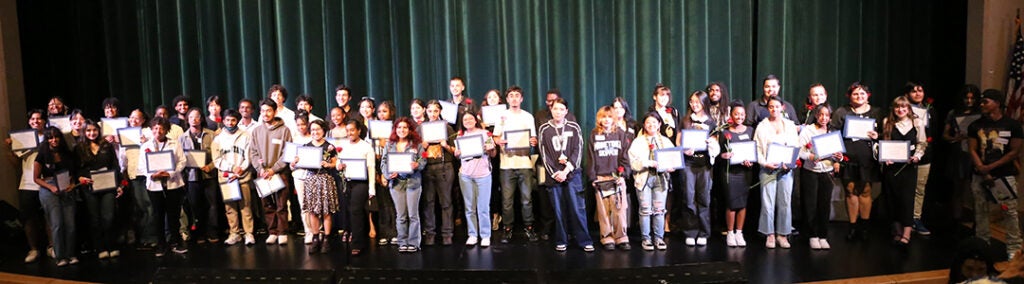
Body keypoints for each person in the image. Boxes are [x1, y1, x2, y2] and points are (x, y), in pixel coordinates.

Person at [968, 89, 1023, 260]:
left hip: (1004, 175)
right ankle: (982, 244)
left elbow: (1014, 151)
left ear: (997, 103)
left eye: (986, 101)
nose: (982, 104)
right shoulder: (975, 125)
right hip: (980, 175)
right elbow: (972, 149)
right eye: (982, 102)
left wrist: (992, 166)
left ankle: (1014, 247)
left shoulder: (1012, 125)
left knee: (1009, 211)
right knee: (981, 210)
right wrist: (981, 167)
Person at [538, 98, 592, 252]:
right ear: (551, 110)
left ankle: (584, 240)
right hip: (554, 176)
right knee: (559, 210)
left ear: (566, 111)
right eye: (555, 109)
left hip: (572, 174)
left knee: (577, 209)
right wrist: (555, 173)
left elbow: (578, 150)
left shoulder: (574, 127)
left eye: (562, 109)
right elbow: (544, 154)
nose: (558, 112)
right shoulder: (544, 129)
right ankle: (561, 239)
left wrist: (567, 169)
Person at [830, 82, 882, 241]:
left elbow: (886, 132)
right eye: (855, 94)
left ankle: (864, 227)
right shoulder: (842, 112)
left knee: (866, 190)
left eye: (862, 94)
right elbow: (833, 133)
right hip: (848, 157)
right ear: (849, 96)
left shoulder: (877, 112)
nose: (859, 97)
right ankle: (852, 227)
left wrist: (877, 135)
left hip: (868, 158)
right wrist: (836, 158)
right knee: (850, 190)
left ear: (868, 96)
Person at [492, 86, 540, 244]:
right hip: (506, 164)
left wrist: (533, 141)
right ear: (507, 99)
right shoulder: (502, 116)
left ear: (521, 99)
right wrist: (499, 141)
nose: (513, 98)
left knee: (527, 199)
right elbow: (495, 137)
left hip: (524, 163)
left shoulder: (528, 116)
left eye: (517, 95)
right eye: (511, 96)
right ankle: (507, 228)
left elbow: (533, 138)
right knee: (507, 200)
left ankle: (529, 227)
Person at [879, 96, 927, 246]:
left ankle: (907, 233)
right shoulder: (887, 122)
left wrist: (917, 156)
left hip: (908, 168)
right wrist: (885, 157)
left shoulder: (917, 123)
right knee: (891, 200)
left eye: (904, 107)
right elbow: (884, 144)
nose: (900, 110)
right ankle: (897, 231)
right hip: (891, 168)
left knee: (907, 200)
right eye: (897, 107)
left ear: (908, 109)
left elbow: (922, 143)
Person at [753, 96, 800, 249]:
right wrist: (765, 163)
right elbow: (757, 149)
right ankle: (770, 234)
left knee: (785, 202)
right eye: (771, 106)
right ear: (768, 109)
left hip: (786, 170)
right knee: (768, 203)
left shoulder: (790, 125)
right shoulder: (762, 126)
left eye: (777, 106)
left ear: (782, 107)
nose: (774, 109)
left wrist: (790, 163)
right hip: (768, 169)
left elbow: (796, 147)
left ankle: (783, 234)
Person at [74, 120, 125, 259]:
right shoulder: (79, 147)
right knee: (95, 219)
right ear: (84, 132)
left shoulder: (106, 145)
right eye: (88, 130)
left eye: (94, 130)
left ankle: (112, 246)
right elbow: (76, 169)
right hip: (89, 187)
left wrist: (119, 185)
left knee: (109, 217)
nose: (92, 133)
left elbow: (115, 166)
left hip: (108, 186)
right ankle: (100, 247)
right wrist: (80, 178)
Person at [138, 116, 189, 256]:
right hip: (154, 186)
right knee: (158, 215)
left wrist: (171, 173)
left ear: (166, 130)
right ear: (151, 129)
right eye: (155, 128)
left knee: (174, 215)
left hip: (173, 184)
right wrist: (151, 175)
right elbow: (142, 167)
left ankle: (176, 242)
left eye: (161, 128)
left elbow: (182, 161)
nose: (158, 130)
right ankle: (161, 244)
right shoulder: (145, 146)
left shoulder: (174, 143)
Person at [291, 119, 340, 253]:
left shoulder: (329, 146)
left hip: (325, 179)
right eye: (312, 130)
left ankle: (327, 238)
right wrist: (294, 162)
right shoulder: (305, 146)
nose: (315, 132)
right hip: (311, 180)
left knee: (326, 211)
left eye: (318, 129)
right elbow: (297, 162)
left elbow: (335, 164)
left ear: (323, 130)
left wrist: (328, 165)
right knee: (312, 211)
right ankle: (315, 237)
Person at [678, 90, 720, 247]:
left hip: (704, 164)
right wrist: (684, 149)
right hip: (689, 163)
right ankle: (690, 231)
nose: (694, 105)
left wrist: (711, 145)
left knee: (704, 198)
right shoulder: (685, 121)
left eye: (697, 102)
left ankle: (703, 232)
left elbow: (716, 145)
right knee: (689, 198)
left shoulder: (711, 122)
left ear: (704, 103)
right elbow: (678, 142)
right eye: (691, 102)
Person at [248, 98, 293, 245]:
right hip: (262, 174)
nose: (265, 114)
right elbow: (253, 153)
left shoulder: (284, 130)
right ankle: (272, 231)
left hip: (280, 173)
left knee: (281, 205)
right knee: (267, 205)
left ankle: (282, 232)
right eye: (263, 111)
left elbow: (288, 153)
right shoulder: (256, 131)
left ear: (274, 111)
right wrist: (260, 169)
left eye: (268, 110)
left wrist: (274, 170)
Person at [587, 106, 631, 251]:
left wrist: (623, 175)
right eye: (603, 117)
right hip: (601, 178)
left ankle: (621, 237)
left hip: (617, 178)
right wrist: (593, 177)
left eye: (609, 117)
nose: (606, 120)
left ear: (614, 118)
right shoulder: (594, 134)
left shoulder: (620, 134)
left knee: (619, 209)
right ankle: (607, 236)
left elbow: (625, 156)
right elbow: (591, 158)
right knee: (603, 210)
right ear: (599, 119)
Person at [797, 104, 841, 250]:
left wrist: (839, 157)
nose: (824, 118)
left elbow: (837, 153)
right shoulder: (808, 130)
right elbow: (798, 150)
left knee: (824, 204)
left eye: (827, 115)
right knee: (811, 205)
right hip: (811, 171)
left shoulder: (832, 132)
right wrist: (809, 156)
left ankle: (823, 235)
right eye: (821, 115)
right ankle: (812, 235)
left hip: (827, 172)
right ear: (816, 115)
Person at [629, 112, 674, 251]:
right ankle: (646, 238)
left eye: (654, 122)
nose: (651, 125)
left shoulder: (665, 141)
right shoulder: (638, 141)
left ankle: (659, 238)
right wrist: (648, 163)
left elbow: (673, 158)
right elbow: (633, 162)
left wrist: (671, 166)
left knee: (659, 210)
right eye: (648, 122)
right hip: (644, 179)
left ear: (659, 124)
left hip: (661, 179)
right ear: (644, 124)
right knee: (645, 210)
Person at [34, 127, 79, 266]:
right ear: (47, 140)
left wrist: (72, 185)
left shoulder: (67, 153)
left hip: (66, 187)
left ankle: (71, 254)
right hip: (49, 188)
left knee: (70, 224)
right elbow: (36, 178)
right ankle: (60, 257)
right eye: (50, 138)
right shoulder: (41, 155)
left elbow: (73, 173)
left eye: (56, 137)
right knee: (57, 224)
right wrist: (51, 187)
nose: (54, 140)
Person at [381, 117, 426, 252]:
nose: (402, 130)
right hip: (396, 183)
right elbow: (383, 163)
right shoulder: (389, 145)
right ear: (395, 129)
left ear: (410, 129)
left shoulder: (416, 144)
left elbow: (423, 159)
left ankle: (413, 242)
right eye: (399, 127)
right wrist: (388, 174)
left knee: (413, 215)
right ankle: (402, 242)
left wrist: (418, 164)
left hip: (413, 182)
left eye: (405, 127)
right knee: (401, 215)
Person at [9, 110, 48, 263]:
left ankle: (51, 246)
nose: (36, 121)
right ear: (29, 121)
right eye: (33, 119)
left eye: (39, 119)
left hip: (47, 182)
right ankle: (33, 249)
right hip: (27, 183)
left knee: (48, 216)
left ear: (44, 121)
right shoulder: (22, 139)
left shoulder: (50, 136)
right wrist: (11, 149)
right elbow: (15, 164)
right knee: (28, 218)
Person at [212, 109, 256, 246]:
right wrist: (231, 169)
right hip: (227, 178)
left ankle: (249, 233)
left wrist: (240, 169)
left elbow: (248, 156)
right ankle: (234, 233)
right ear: (223, 121)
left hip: (242, 176)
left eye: (233, 120)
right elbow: (217, 159)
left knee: (246, 206)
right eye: (227, 120)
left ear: (237, 120)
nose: (230, 122)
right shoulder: (218, 138)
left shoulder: (246, 135)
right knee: (230, 208)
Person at [454, 110, 497, 247]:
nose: (468, 121)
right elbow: (458, 156)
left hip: (483, 174)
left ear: (475, 120)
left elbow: (494, 153)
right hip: (466, 175)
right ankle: (472, 234)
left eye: (470, 119)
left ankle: (485, 235)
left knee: (483, 207)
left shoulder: (486, 134)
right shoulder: (460, 136)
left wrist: (490, 148)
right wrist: (456, 153)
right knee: (469, 208)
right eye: (465, 120)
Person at [335, 120, 376, 256]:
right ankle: (349, 233)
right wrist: (338, 166)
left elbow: (371, 168)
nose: (350, 133)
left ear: (359, 130)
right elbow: (339, 162)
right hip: (346, 181)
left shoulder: (366, 147)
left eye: (352, 130)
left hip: (361, 183)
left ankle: (358, 243)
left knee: (356, 210)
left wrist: (371, 189)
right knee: (347, 209)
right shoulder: (343, 145)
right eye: (347, 130)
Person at [420, 100, 457, 246]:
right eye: (430, 111)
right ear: (426, 112)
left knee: (446, 202)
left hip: (445, 167)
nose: (433, 114)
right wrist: (422, 147)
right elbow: (414, 153)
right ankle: (430, 233)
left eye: (436, 111)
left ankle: (447, 233)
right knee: (429, 202)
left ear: (440, 112)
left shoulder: (447, 128)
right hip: (427, 168)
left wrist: (445, 145)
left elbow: (456, 151)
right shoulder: (420, 129)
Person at [179, 108, 219, 244]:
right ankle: (200, 233)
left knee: (212, 205)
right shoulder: (182, 137)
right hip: (191, 177)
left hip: (209, 175)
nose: (194, 120)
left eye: (197, 117)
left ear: (202, 118)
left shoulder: (212, 135)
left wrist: (210, 166)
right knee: (195, 206)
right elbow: (179, 158)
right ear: (187, 120)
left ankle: (212, 232)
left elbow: (219, 156)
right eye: (191, 117)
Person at [717, 102, 754, 247]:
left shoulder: (751, 130)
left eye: (742, 114)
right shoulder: (724, 132)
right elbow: (718, 153)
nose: (739, 117)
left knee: (743, 203)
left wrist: (751, 161)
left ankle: (739, 232)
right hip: (729, 172)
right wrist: (723, 156)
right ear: (731, 115)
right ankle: (730, 233)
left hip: (745, 172)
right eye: (736, 114)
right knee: (731, 203)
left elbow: (754, 151)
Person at [120, 109, 158, 247]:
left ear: (143, 120)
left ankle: (152, 236)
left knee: (150, 206)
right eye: (131, 118)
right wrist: (123, 174)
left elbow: (158, 147)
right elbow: (123, 158)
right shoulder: (125, 134)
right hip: (134, 175)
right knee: (140, 207)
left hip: (149, 174)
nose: (133, 121)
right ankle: (143, 237)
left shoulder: (148, 132)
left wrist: (146, 141)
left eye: (137, 118)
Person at [944, 84, 981, 223]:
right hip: (960, 153)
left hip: (976, 153)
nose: (969, 101)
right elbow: (945, 135)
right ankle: (957, 219)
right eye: (967, 98)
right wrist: (955, 138)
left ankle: (978, 220)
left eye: (972, 98)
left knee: (976, 190)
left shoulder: (981, 112)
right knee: (958, 188)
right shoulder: (954, 113)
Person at [903, 82, 935, 236]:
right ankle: (903, 220)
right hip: (905, 155)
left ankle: (916, 218)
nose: (917, 94)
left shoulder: (929, 110)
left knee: (920, 188)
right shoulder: (902, 108)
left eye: (920, 91)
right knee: (905, 188)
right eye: (913, 91)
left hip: (924, 155)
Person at [647, 84, 680, 232]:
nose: (664, 98)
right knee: (659, 187)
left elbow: (677, 131)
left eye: (667, 95)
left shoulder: (673, 112)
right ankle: (657, 221)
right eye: (661, 95)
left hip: (672, 151)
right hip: (658, 153)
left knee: (671, 189)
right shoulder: (651, 113)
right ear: (655, 97)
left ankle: (668, 219)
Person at [291, 111, 316, 244]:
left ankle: (318, 230)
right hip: (299, 175)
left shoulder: (314, 138)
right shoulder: (294, 139)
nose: (301, 127)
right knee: (303, 205)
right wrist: (293, 163)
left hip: (313, 175)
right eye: (298, 125)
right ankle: (308, 231)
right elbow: (290, 162)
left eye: (303, 124)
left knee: (316, 204)